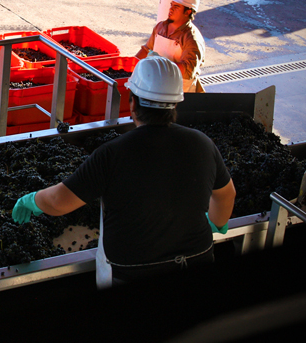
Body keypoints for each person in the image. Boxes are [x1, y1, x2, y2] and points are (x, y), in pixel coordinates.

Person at [12, 56, 235, 287]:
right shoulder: (202, 144)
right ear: (176, 104)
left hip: (134, 273)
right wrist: (217, 223)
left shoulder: (113, 153)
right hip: (198, 262)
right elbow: (227, 195)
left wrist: (32, 200)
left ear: (132, 103)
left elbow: (59, 201)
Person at [136, 0, 206, 92]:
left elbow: (189, 70)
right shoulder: (160, 27)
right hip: (156, 85)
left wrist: (160, 67)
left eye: (176, 7)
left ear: (188, 12)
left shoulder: (191, 38)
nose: (171, 9)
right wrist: (132, 66)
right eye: (171, 5)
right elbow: (146, 50)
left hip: (179, 92)